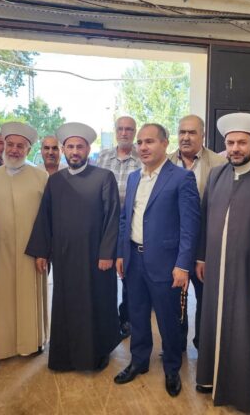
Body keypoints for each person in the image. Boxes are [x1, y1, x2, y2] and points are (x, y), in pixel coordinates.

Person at [195, 113, 250, 412]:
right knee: (213, 320)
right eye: (230, 143)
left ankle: (248, 393)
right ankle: (211, 378)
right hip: (215, 267)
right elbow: (204, 218)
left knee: (248, 330)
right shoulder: (217, 175)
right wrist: (201, 256)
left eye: (242, 142)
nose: (235, 148)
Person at [26, 122, 121, 372]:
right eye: (70, 147)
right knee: (67, 305)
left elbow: (113, 216)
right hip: (65, 258)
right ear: (64, 150)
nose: (75, 151)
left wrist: (107, 253)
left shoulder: (104, 177)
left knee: (96, 304)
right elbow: (45, 218)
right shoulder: (55, 181)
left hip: (95, 257)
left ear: (88, 149)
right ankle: (64, 357)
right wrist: (42, 252)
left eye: (80, 147)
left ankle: (97, 353)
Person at [114, 123, 200, 397]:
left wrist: (183, 265)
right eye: (140, 142)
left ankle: (172, 367)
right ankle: (139, 361)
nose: (143, 147)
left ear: (165, 144)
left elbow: (190, 226)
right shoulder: (134, 178)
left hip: (166, 263)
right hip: (134, 259)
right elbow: (125, 218)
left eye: (149, 141)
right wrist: (121, 252)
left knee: (168, 319)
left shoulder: (182, 178)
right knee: (137, 314)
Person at [0, 122, 48, 360]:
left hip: (32, 252)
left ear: (28, 150)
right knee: (1, 298)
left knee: (29, 297)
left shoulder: (41, 177)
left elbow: (47, 219)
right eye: (10, 144)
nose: (14, 150)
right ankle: (3, 346)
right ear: (2, 146)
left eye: (21, 146)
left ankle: (31, 342)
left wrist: (43, 251)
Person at [169, 114, 226, 351]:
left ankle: (203, 345)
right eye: (182, 132)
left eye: (191, 132)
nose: (185, 137)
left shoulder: (219, 164)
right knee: (174, 299)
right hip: (174, 247)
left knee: (205, 300)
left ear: (202, 135)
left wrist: (203, 253)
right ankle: (176, 344)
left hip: (206, 247)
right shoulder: (166, 162)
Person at [97, 116, 141, 339]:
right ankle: (106, 319)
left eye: (129, 129)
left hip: (130, 226)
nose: (124, 133)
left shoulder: (142, 159)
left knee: (128, 276)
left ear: (134, 132)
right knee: (104, 274)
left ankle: (126, 320)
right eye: (121, 129)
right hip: (104, 225)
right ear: (115, 131)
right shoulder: (103, 157)